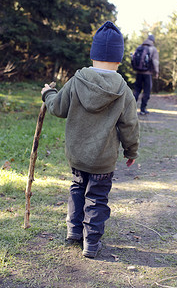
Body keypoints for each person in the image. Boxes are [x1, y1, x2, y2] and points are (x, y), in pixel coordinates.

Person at [41, 21, 140, 258]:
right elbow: (130, 125)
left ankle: (74, 231)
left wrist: (48, 94)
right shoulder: (123, 90)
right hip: (103, 160)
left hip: (77, 155)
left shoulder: (77, 80)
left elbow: (57, 107)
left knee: (77, 189)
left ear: (93, 54)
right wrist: (131, 152)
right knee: (96, 198)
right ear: (119, 59)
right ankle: (91, 243)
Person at [133, 34, 159, 115]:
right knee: (146, 91)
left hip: (138, 72)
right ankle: (142, 109)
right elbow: (155, 61)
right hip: (147, 73)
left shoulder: (139, 47)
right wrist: (156, 71)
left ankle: (131, 109)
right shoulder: (153, 49)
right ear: (153, 41)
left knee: (137, 90)